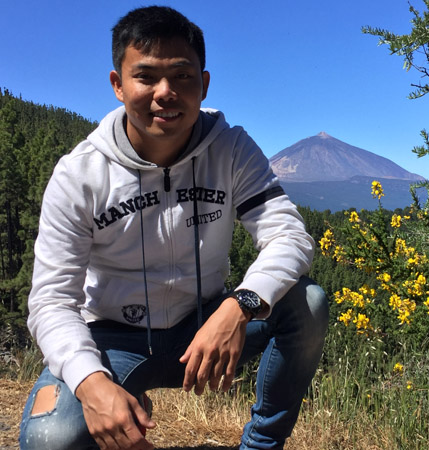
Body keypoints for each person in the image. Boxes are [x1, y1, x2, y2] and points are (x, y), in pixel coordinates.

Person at [19, 6, 328, 450]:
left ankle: (261, 444)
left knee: (308, 303)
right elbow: (50, 300)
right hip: (112, 337)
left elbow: (289, 235)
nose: (165, 93)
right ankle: (122, 394)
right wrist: (92, 384)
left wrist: (239, 306)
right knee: (50, 440)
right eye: (145, 76)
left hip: (204, 325)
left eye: (182, 76)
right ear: (118, 85)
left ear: (203, 85)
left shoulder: (230, 148)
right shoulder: (79, 174)